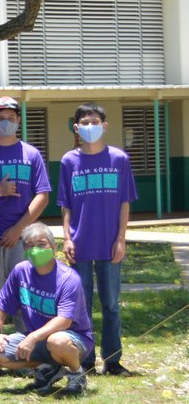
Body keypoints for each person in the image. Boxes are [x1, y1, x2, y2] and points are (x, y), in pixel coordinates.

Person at [58, 103, 137, 375]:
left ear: (104, 125)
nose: (89, 127)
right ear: (76, 128)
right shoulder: (69, 161)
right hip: (79, 245)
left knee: (111, 305)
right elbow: (65, 205)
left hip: (109, 244)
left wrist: (121, 239)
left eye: (94, 121)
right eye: (84, 122)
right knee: (81, 306)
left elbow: (125, 203)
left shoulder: (119, 159)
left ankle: (113, 360)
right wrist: (67, 238)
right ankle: (86, 359)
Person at [0, 96, 51, 373]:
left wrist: (19, 228)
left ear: (18, 120)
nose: (5, 122)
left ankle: (25, 354)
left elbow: (42, 195)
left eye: (10, 117)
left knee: (25, 295)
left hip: (22, 237)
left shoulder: (31, 154)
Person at [0, 223, 94, 396]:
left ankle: (76, 373)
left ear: (53, 247)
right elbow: (0, 305)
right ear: (24, 249)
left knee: (57, 341)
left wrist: (33, 337)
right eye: (30, 245)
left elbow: (64, 320)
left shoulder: (68, 278)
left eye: (41, 245)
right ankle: (49, 367)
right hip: (36, 337)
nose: (35, 250)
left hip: (73, 337)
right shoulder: (20, 271)